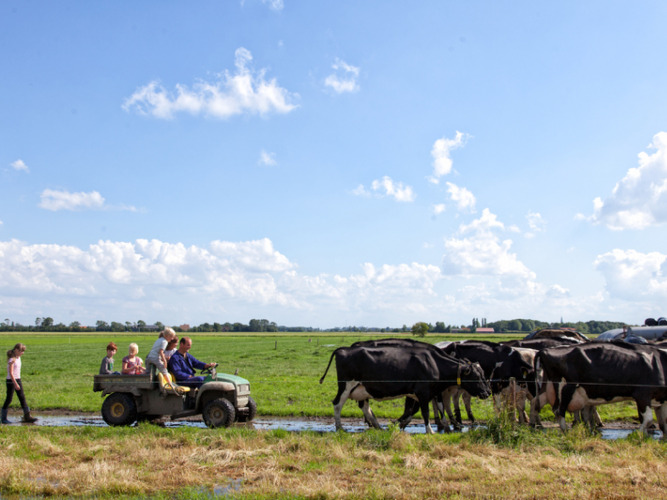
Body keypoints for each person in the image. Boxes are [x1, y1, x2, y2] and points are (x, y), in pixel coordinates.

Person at [2, 343, 37, 424]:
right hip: (11, 381)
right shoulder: (12, 360)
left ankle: (27, 416)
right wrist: (15, 383)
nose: (22, 353)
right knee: (9, 399)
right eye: (21, 351)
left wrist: (18, 382)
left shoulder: (18, 358)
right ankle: (3, 418)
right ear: (16, 350)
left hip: (18, 379)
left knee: (22, 397)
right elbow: (11, 373)